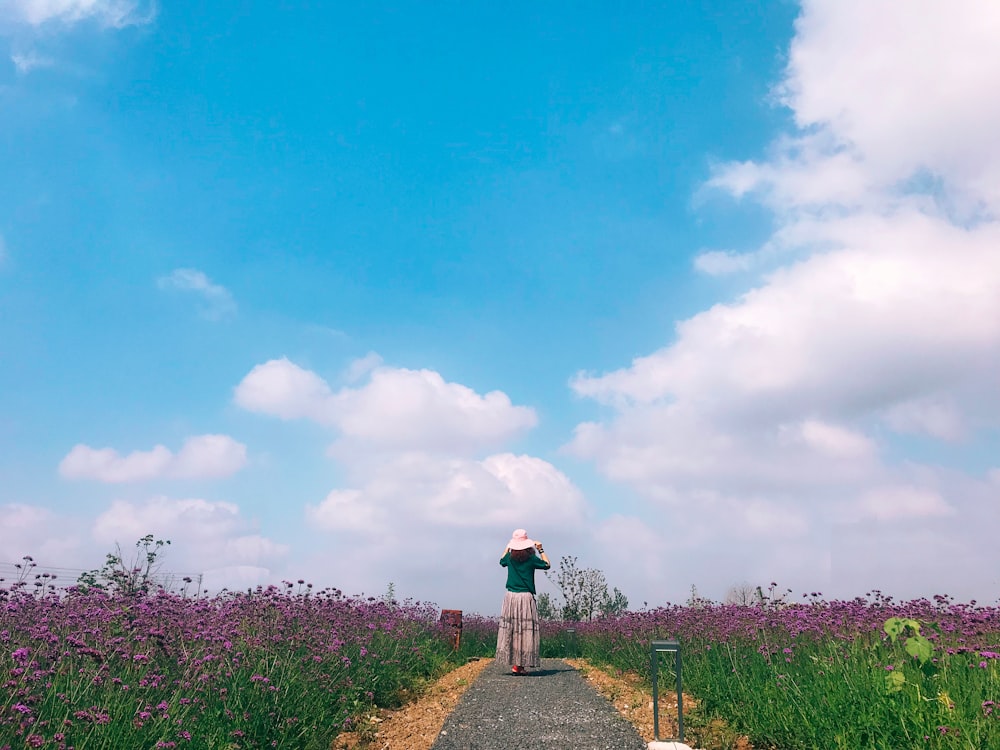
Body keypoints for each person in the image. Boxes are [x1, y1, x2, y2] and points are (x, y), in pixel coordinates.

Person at [495, 528, 550, 675]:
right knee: (524, 630)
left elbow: (501, 560)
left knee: (512, 629)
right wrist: (541, 549)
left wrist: (508, 546)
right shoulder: (531, 559)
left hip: (511, 597)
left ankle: (515, 665)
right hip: (525, 597)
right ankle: (520, 665)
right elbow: (547, 565)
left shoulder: (509, 558)